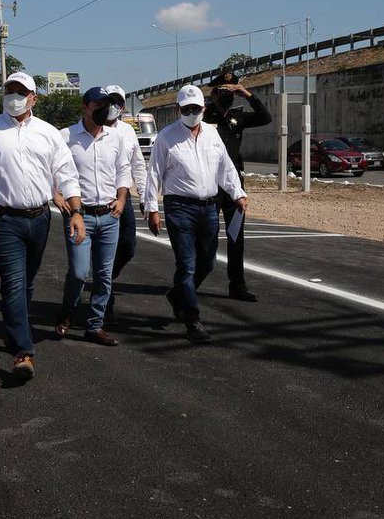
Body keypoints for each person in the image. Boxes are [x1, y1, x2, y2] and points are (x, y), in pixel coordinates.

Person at [0, 72, 84, 381]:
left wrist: (76, 211)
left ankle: (16, 327)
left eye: (21, 91)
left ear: (34, 98)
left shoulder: (49, 133)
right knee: (12, 282)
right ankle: (23, 351)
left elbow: (66, 174)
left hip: (38, 219)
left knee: (26, 283)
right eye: (9, 90)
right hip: (0, 219)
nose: (14, 96)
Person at [145, 85, 248, 343]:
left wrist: (237, 193)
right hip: (179, 208)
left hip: (209, 207)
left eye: (196, 108)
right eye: (186, 109)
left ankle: (177, 294)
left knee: (208, 262)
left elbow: (225, 167)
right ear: (178, 110)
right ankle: (192, 320)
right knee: (187, 265)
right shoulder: (166, 138)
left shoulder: (213, 134)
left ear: (204, 108)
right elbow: (154, 173)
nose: (191, 113)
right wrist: (151, 208)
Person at [53, 87, 131, 346]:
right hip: (79, 215)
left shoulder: (115, 137)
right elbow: (51, 168)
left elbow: (123, 170)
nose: (103, 109)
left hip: (109, 215)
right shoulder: (66, 136)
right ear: (85, 107)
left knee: (104, 275)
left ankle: (95, 325)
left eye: (106, 104)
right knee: (78, 272)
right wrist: (56, 194)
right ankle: (67, 313)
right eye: (98, 104)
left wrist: (121, 198)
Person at [203, 69, 272, 302]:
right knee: (207, 238)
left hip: (234, 188)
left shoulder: (237, 117)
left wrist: (247, 94)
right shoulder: (203, 118)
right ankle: (192, 281)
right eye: (224, 91)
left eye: (231, 90)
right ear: (213, 93)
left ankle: (237, 285)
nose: (228, 95)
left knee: (236, 238)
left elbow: (265, 118)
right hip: (210, 186)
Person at [100, 84, 147, 324]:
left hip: (123, 199)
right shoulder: (92, 127)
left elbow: (138, 164)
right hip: (97, 201)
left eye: (118, 102)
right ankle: (105, 302)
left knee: (128, 246)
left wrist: (145, 197)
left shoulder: (128, 131)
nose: (113, 106)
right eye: (109, 101)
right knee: (103, 255)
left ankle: (107, 277)